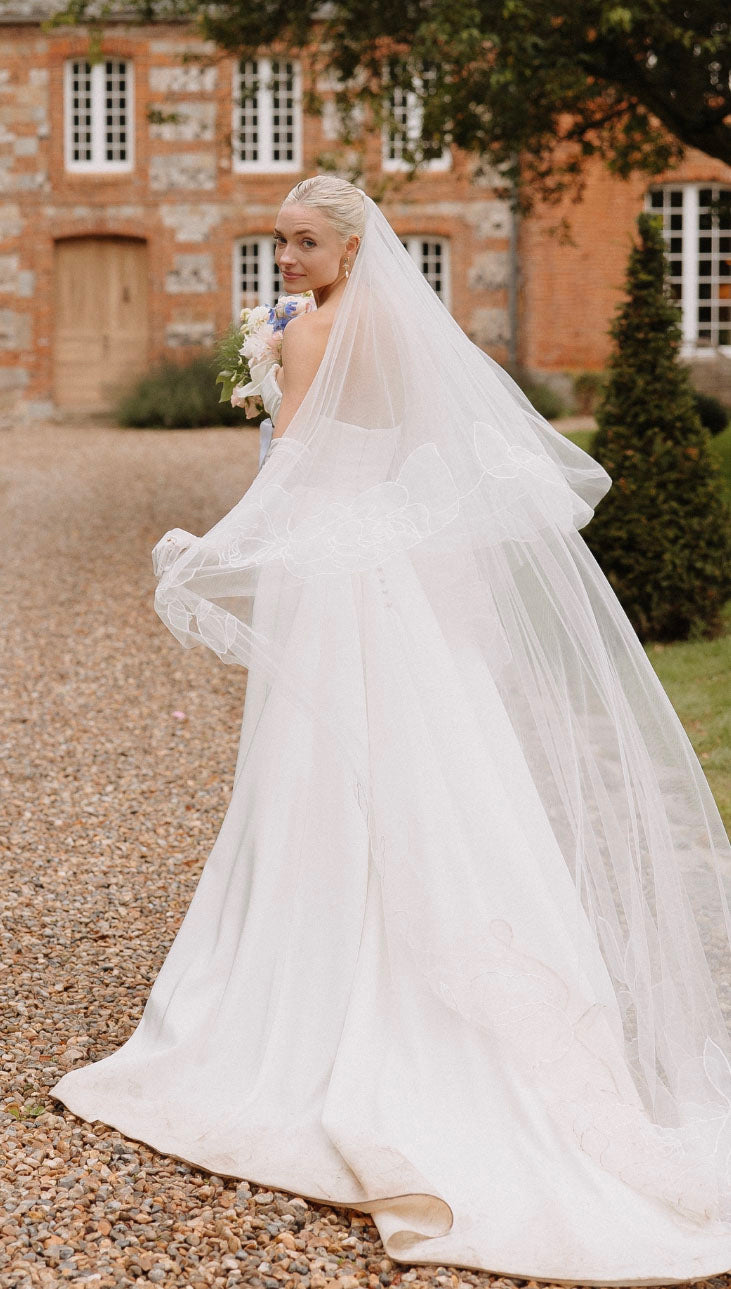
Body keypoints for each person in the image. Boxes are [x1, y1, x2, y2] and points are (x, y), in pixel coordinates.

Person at [51, 175, 731, 1284]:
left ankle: (314, 991)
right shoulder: (396, 335)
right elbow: (416, 451)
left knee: (324, 768)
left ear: (349, 248)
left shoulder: (308, 334)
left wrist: (212, 543)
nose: (284, 260)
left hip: (333, 578)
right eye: (277, 242)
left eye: (301, 243)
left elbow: (293, 465)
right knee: (431, 767)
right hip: (388, 578)